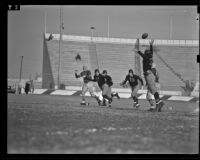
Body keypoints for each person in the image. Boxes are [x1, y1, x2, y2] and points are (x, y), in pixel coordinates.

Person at [134, 39, 164, 112]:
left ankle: (159, 102)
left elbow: (143, 55)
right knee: (151, 90)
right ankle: (157, 104)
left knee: (153, 89)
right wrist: (151, 45)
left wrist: (138, 51)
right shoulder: (150, 56)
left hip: (148, 74)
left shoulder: (146, 57)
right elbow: (151, 52)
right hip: (148, 75)